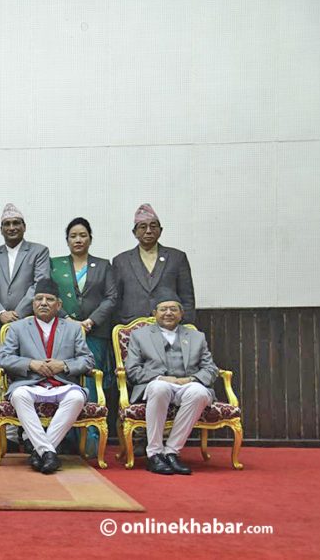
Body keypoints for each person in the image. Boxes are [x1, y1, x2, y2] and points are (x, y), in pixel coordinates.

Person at [0, 279, 94, 474]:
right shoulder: (18, 328)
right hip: (30, 383)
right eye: (39, 299)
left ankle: (41, 452)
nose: (43, 303)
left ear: (59, 305)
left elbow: (88, 360)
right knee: (18, 396)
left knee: (76, 397)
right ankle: (49, 452)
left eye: (49, 299)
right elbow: (3, 358)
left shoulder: (73, 328)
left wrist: (64, 365)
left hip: (62, 383)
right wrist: (30, 364)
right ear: (32, 303)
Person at [123, 290, 217, 475]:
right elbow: (132, 370)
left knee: (199, 392)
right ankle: (155, 454)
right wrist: (160, 377)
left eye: (173, 309)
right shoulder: (139, 335)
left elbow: (211, 369)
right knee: (160, 388)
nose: (168, 313)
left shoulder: (196, 337)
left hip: (187, 383)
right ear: (154, 313)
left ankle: (172, 451)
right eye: (163, 309)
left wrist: (191, 379)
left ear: (181, 314)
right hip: (156, 383)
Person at [49, 217, 117, 454]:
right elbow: (49, 294)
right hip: (64, 331)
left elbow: (111, 298)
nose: (78, 240)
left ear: (90, 238)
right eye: (73, 236)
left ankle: (91, 441)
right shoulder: (55, 265)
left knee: (92, 382)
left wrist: (89, 322)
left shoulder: (103, 265)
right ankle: (65, 439)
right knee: (65, 379)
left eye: (83, 235)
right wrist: (68, 319)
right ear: (67, 240)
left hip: (94, 333)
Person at [0, 204, 50, 448]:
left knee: (29, 378)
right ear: (1, 229)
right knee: (0, 378)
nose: (12, 228)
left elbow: (38, 284)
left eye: (16, 224)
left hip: (29, 327)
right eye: (7, 224)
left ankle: (28, 435)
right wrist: (1, 312)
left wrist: (18, 314)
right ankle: (7, 436)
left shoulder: (39, 251)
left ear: (24, 227)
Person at [112, 203, 196, 325]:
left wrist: (184, 325)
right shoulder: (121, 261)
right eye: (143, 227)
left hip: (170, 326)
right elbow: (116, 300)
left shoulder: (177, 258)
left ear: (160, 230)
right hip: (132, 327)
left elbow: (187, 297)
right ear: (134, 232)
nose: (148, 231)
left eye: (153, 226)